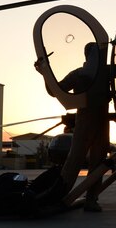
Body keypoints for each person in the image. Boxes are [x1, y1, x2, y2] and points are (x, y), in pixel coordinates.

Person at [35, 42, 110, 212]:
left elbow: (55, 91)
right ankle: (60, 195)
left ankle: (90, 199)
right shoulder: (84, 74)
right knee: (76, 158)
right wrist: (45, 73)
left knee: (96, 160)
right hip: (86, 121)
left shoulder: (103, 72)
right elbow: (55, 91)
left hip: (100, 122)